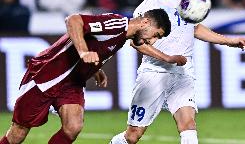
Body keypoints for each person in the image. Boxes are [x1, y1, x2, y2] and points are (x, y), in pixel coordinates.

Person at [110, 0, 245, 144]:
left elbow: (195, 28)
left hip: (183, 73)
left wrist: (229, 41)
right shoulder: (148, 7)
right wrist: (167, 58)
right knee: (133, 135)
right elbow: (137, 43)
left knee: (188, 126)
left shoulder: (187, 1)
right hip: (154, 74)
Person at [0, 8, 184, 144]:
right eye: (156, 35)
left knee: (73, 127)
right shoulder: (117, 24)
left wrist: (95, 69)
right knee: (18, 132)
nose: (152, 41)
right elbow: (73, 21)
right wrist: (83, 52)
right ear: (145, 23)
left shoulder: (124, 36)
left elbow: (132, 44)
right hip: (47, 77)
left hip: (72, 83)